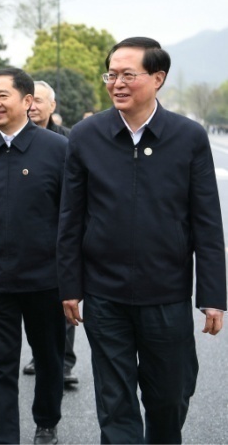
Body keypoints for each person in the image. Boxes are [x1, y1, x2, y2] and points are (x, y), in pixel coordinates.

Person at [58, 37, 227, 444]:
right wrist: (70, 286)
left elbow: (206, 221)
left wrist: (213, 295)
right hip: (105, 294)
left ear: (157, 78)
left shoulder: (188, 137)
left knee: (170, 396)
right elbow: (71, 217)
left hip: (165, 294)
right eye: (111, 74)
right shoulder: (85, 135)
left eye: (127, 75)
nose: (116, 83)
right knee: (115, 403)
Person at [0, 68, 68, 445]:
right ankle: (5, 436)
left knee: (49, 357)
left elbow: (72, 216)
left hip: (46, 281)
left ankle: (46, 419)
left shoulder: (58, 149)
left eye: (2, 95)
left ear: (27, 101)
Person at [22, 81, 78, 385]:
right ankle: (42, 355)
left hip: (60, 240)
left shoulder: (68, 141)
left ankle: (65, 362)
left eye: (39, 101)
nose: (33, 107)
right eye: (29, 101)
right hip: (27, 242)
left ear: (52, 106)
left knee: (63, 307)